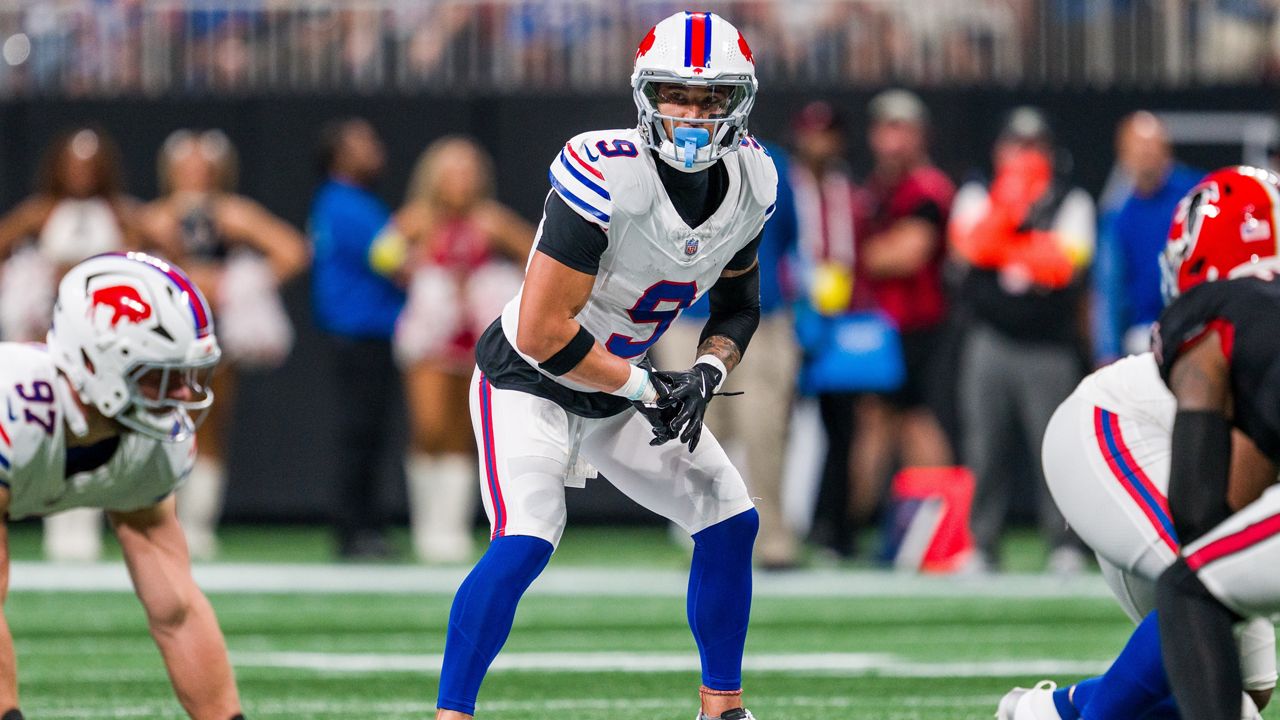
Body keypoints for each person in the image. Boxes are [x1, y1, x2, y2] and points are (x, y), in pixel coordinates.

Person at [435, 11, 772, 720]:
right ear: (645, 97)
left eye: (710, 99)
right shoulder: (605, 170)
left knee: (729, 517)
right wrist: (651, 385)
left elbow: (739, 306)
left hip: (621, 383)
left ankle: (723, 707)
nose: (690, 114)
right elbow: (543, 333)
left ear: (738, 103)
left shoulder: (752, 181)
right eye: (676, 95)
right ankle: (451, 714)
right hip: (527, 381)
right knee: (527, 536)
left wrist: (706, 372)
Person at [0, 252, 244, 719]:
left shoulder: (152, 444)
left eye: (183, 376)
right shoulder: (13, 407)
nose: (180, 396)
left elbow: (177, 611)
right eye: (159, 375)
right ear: (97, 363)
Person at [998, 351, 1275, 719]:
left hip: (1182, 460)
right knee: (1209, 591)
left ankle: (1053, 708)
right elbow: (1241, 483)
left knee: (1248, 694)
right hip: (1112, 428)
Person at [138, 128, 308, 559]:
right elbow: (119, 259)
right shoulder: (153, 216)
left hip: (213, 333)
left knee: (208, 423)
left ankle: (198, 524)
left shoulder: (234, 212)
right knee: (158, 424)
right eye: (186, 164)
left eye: (203, 165)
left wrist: (238, 282)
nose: (195, 172)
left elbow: (292, 250)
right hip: (160, 333)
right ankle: (160, 519)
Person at [949, 107, 1096, 572]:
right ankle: (982, 543)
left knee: (1055, 448)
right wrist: (1011, 211)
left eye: (1034, 146)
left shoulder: (1072, 200)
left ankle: (1066, 544)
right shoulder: (977, 193)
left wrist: (1003, 249)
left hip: (1049, 345)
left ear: (1049, 153)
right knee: (984, 446)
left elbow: (1066, 266)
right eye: (1016, 145)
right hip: (990, 338)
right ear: (999, 150)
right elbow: (966, 249)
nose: (1024, 155)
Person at [377, 136, 534, 563]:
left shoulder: (491, 220)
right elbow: (381, 254)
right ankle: (426, 525)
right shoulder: (418, 219)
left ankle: (452, 529)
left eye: (468, 173)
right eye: (451, 173)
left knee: (466, 432)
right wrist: (416, 265)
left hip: (476, 335)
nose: (460, 182)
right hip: (430, 334)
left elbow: (536, 255)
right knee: (429, 426)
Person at [0, 126, 143, 563]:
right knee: (55, 426)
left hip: (105, 341)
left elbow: (146, 261)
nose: (81, 173)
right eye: (73, 164)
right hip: (51, 334)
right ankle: (57, 527)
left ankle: (87, 522)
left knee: (99, 426)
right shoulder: (40, 213)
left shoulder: (122, 214)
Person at [848, 88, 955, 544]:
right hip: (878, 328)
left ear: (919, 135)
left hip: (917, 326)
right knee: (879, 422)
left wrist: (850, 256)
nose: (893, 139)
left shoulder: (926, 188)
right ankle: (872, 528)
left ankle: (936, 528)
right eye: (886, 127)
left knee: (914, 423)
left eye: (902, 128)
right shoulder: (875, 188)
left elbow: (908, 254)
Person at [309, 118, 406, 560]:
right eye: (363, 143)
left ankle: (362, 526)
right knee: (362, 433)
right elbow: (396, 261)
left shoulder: (338, 201)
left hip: (361, 332)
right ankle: (356, 529)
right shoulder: (349, 204)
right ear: (339, 154)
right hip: (362, 331)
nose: (376, 149)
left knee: (365, 432)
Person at [787, 100, 863, 559]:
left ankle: (833, 526)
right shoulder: (779, 181)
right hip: (793, 311)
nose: (821, 143)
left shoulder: (844, 187)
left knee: (842, 425)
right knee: (783, 422)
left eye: (828, 133)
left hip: (839, 313)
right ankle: (784, 519)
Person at [1092, 112, 1200, 364]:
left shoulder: (1196, 195)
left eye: (1152, 147)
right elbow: (1109, 288)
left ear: (1166, 150)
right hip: (1142, 341)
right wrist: (1106, 352)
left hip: (1194, 331)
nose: (1146, 156)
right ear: (1124, 154)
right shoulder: (1117, 213)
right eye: (1138, 149)